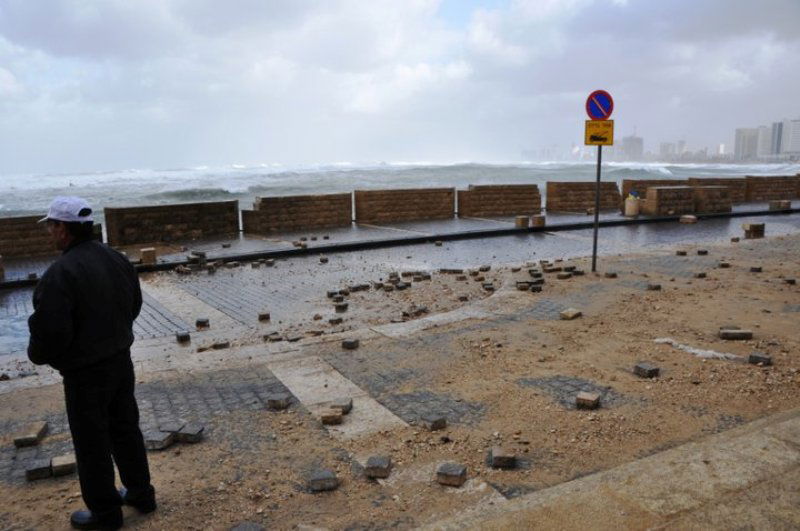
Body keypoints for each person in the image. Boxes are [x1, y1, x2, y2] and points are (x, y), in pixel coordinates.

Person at [27, 196, 156, 530]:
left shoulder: (60, 274)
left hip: (85, 373)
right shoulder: (116, 259)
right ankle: (141, 494)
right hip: (120, 361)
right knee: (125, 429)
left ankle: (105, 512)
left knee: (91, 443)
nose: (49, 233)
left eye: (52, 226)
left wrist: (45, 356)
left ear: (64, 229)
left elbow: (49, 333)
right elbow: (134, 303)